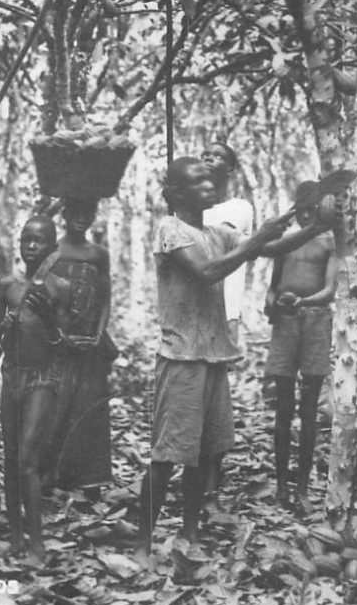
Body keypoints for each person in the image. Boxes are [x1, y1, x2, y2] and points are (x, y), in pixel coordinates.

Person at [135, 157, 295, 562]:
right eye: (199, 182)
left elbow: (272, 247)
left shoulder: (215, 231)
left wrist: (311, 224)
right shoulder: (171, 229)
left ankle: (189, 534)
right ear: (176, 193)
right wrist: (258, 238)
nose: (210, 186)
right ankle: (143, 543)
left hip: (212, 355)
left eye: (210, 181)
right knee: (168, 454)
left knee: (204, 454)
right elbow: (206, 273)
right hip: (182, 356)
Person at [0, 215, 71, 565]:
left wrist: (50, 320)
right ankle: (16, 538)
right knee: (11, 461)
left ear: (51, 247)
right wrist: (2, 327)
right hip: (12, 377)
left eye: (39, 241)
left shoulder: (60, 288)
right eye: (26, 239)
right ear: (19, 244)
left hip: (42, 379)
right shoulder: (7, 286)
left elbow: (63, 346)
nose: (31, 246)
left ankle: (38, 544)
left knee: (27, 459)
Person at [263, 184, 337, 512]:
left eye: (313, 208)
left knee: (309, 411)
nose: (307, 214)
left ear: (322, 208)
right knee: (283, 409)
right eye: (302, 209)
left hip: (316, 321)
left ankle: (303, 489)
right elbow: (272, 288)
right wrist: (273, 305)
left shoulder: (330, 242)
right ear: (296, 209)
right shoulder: (285, 244)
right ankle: (281, 486)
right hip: (286, 323)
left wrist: (302, 301)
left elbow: (330, 290)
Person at [45, 197, 112, 491]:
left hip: (89, 343)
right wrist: (56, 335)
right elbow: (41, 292)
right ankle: (49, 474)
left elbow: (105, 296)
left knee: (87, 407)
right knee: (54, 406)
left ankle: (86, 477)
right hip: (59, 342)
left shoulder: (98, 253)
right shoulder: (52, 250)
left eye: (88, 211)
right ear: (65, 213)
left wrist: (99, 333)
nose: (81, 217)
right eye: (75, 210)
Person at [201, 141, 254, 341]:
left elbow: (219, 239)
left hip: (225, 307)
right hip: (191, 308)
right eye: (205, 154)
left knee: (219, 369)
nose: (208, 158)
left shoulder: (239, 208)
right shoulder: (189, 209)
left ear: (230, 170)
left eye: (217, 156)